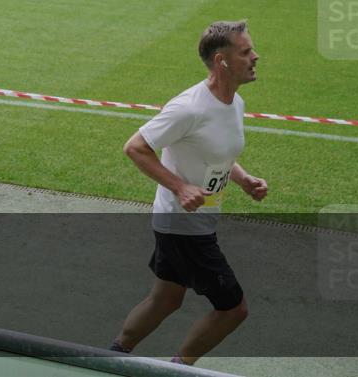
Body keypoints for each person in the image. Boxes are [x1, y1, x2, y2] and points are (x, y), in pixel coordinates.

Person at [110, 20, 268, 366]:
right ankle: (179, 368)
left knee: (166, 299)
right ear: (221, 61)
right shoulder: (189, 107)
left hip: (197, 221)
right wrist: (179, 186)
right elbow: (135, 147)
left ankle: (114, 355)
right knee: (233, 309)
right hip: (183, 226)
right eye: (245, 52)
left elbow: (219, 153)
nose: (255, 57)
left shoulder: (233, 102)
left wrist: (242, 179)